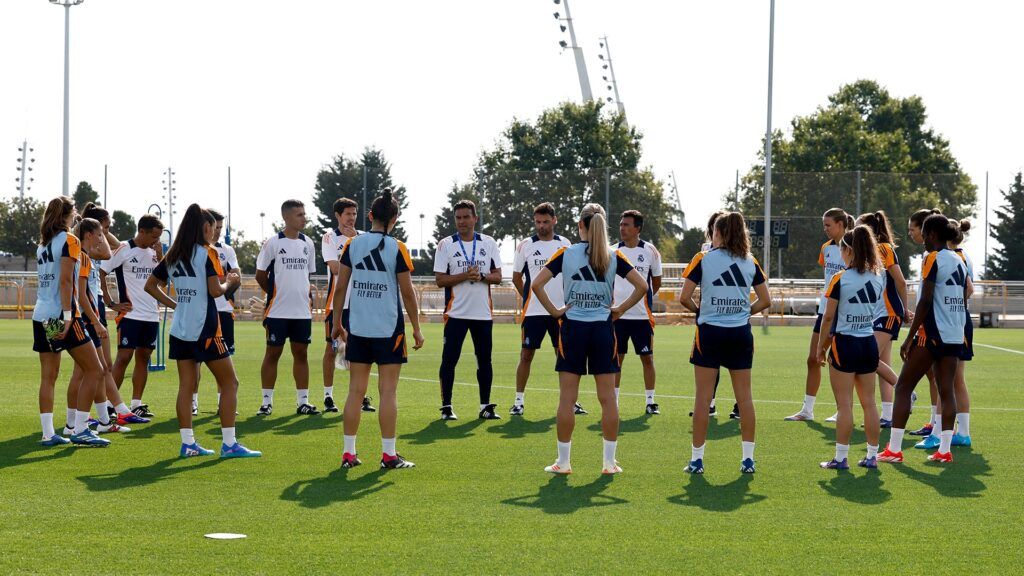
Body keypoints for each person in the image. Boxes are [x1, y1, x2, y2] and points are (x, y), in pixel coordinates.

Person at [531, 203, 647, 475]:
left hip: (573, 329)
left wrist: (555, 312)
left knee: (567, 399)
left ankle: (564, 462)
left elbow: (536, 284)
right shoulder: (614, 255)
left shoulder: (566, 253)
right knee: (608, 399)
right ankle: (608, 463)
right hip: (603, 330)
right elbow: (642, 286)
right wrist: (619, 310)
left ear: (580, 226)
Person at [145, 204, 260, 458]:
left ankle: (188, 444)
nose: (215, 232)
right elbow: (215, 291)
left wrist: (176, 304)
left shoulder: (173, 255)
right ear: (205, 228)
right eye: (212, 227)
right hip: (206, 329)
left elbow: (150, 286)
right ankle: (229, 444)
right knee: (230, 383)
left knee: (187, 386)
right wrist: (231, 280)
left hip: (181, 329)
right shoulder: (206, 253)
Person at [331, 189, 424, 469]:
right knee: (388, 393)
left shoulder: (352, 245)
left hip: (358, 327)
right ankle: (388, 455)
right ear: (394, 218)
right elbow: (408, 294)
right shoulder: (398, 247)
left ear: (370, 216)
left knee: (355, 392)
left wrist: (337, 323)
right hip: (389, 329)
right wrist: (417, 329)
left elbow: (341, 287)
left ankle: (349, 454)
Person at [679, 212, 771, 474]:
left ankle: (697, 460)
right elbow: (766, 300)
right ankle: (748, 460)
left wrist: (701, 310)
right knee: (745, 399)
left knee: (702, 399)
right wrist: (742, 312)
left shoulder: (703, 259)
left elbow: (683, 296)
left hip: (709, 333)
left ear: (717, 232)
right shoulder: (750, 261)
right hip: (740, 334)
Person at [878, 214, 971, 464]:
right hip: (954, 334)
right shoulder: (960, 260)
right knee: (946, 389)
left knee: (903, 387)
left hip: (931, 335)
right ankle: (944, 450)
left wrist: (910, 337)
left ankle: (894, 450)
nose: (922, 241)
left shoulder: (932, 258)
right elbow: (963, 297)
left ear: (931, 235)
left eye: (924, 235)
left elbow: (926, 299)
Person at [33, 198, 108, 447]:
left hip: (42, 315)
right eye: (74, 210)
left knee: (49, 377)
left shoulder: (43, 245)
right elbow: (66, 282)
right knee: (95, 370)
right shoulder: (70, 240)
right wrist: (67, 317)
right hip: (63, 316)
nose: (77, 212)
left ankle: (48, 433)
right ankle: (80, 429)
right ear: (68, 214)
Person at [816, 225, 885, 469]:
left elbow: (827, 317)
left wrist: (821, 348)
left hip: (845, 342)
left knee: (844, 405)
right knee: (870, 402)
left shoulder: (840, 278)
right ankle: (872, 455)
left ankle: (841, 457)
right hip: (868, 343)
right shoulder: (877, 277)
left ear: (848, 250)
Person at [80, 204, 149, 427]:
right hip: (88, 304)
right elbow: (114, 250)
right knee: (92, 368)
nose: (107, 234)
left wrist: (102, 230)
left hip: (95, 302)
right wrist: (111, 302)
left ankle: (107, 416)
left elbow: (117, 246)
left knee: (100, 366)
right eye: (104, 228)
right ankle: (81, 420)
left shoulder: (89, 244)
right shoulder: (84, 247)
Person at [433, 199, 503, 420]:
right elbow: (440, 280)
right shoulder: (445, 244)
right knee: (449, 360)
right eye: (458, 217)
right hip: (456, 314)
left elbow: (498, 276)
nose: (462, 221)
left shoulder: (489, 243)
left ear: (475, 218)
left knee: (485, 360)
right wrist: (465, 275)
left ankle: (485, 405)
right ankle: (446, 407)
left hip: (482, 314)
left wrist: (481, 276)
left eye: (466, 217)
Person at [62, 216, 131, 436]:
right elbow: (81, 296)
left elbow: (112, 251)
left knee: (92, 371)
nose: (103, 237)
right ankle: (75, 426)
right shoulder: (80, 255)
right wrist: (95, 322)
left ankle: (98, 421)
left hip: (57, 318)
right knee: (91, 371)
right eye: (100, 232)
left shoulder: (77, 253)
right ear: (90, 234)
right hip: (79, 319)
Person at [785, 207, 854, 422]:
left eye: (828, 225)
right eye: (824, 224)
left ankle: (843, 410)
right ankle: (807, 409)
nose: (824, 229)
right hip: (825, 310)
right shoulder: (826, 248)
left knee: (840, 363)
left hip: (845, 313)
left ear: (841, 224)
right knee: (813, 358)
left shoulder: (853, 248)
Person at [510, 203, 574, 416]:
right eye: (538, 222)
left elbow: (572, 275)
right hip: (534, 312)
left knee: (564, 356)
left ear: (554, 220)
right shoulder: (525, 245)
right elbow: (516, 277)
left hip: (561, 311)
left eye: (546, 222)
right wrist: (529, 297)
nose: (541, 226)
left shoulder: (565, 244)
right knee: (526, 355)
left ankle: (570, 401)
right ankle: (518, 401)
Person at [255, 199, 318, 416]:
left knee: (301, 354)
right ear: (286, 218)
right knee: (273, 354)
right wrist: (274, 294)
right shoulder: (273, 243)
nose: (304, 218)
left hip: (301, 311)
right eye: (299, 214)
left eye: (304, 213)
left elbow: (306, 275)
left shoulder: (308, 243)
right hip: (277, 311)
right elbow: (260, 274)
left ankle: (303, 402)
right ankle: (266, 402)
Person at [101, 213, 165, 418]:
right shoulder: (124, 249)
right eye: (154, 236)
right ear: (142, 231)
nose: (156, 241)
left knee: (144, 357)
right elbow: (102, 272)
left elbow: (161, 282)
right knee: (124, 357)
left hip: (151, 315)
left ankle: (136, 403)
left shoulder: (155, 253)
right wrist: (110, 302)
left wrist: (161, 256)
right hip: (130, 315)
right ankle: (112, 405)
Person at [320, 198, 374, 414]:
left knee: (360, 352)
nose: (351, 218)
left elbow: (369, 268)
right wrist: (353, 248)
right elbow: (334, 268)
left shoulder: (363, 237)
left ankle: (360, 397)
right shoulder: (329, 237)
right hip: (337, 304)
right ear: (337, 215)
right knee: (332, 349)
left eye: (354, 213)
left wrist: (356, 243)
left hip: (361, 304)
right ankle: (328, 396)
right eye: (347, 214)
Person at [857, 211, 909, 427]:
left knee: (867, 358)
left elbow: (901, 282)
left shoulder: (884, 249)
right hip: (877, 314)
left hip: (888, 313)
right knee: (882, 363)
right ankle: (888, 415)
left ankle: (905, 392)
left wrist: (905, 310)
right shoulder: (869, 253)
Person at [612, 210, 664, 414]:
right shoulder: (613, 251)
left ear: (637, 228)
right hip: (618, 316)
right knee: (617, 359)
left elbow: (655, 283)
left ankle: (650, 401)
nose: (622, 228)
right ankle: (613, 401)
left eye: (626, 225)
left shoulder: (650, 251)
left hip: (642, 316)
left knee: (647, 358)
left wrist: (642, 300)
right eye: (621, 224)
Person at [689, 210, 740, 420]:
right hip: (709, 312)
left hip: (728, 312)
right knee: (711, 365)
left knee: (736, 364)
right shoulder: (705, 251)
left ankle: (739, 404)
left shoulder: (739, 252)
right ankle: (709, 402)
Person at [191, 209, 240, 416]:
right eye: (215, 227)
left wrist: (230, 287)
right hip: (201, 312)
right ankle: (193, 402)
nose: (217, 231)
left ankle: (223, 402)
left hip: (223, 311)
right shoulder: (196, 251)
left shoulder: (226, 250)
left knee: (225, 359)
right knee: (195, 361)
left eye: (220, 227)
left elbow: (235, 273)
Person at [905, 208, 943, 440]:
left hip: (934, 325)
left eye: (913, 229)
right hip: (928, 322)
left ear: (925, 230)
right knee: (933, 377)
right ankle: (935, 423)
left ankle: (941, 426)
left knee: (938, 378)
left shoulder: (938, 256)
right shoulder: (927, 255)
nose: (910, 233)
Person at [947, 219, 973, 447]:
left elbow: (969, 288)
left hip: (957, 321)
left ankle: (962, 432)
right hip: (957, 320)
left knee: (956, 379)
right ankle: (953, 430)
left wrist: (956, 307)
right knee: (952, 379)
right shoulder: (958, 256)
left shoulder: (957, 257)